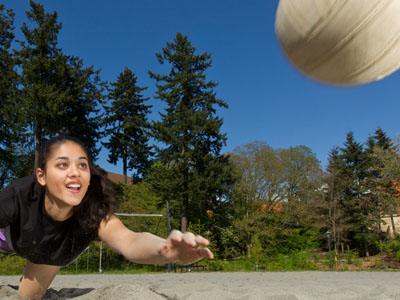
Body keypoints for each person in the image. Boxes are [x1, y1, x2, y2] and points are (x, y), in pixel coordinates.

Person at [0, 135, 213, 299]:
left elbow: (129, 240)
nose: (75, 172)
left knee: (27, 297)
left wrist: (166, 251)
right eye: (63, 164)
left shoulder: (93, 212)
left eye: (82, 165)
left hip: (48, 255)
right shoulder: (19, 195)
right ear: (42, 176)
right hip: (10, 237)